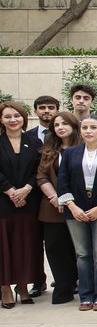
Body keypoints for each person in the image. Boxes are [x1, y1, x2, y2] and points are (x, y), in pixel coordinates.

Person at [57, 115, 97, 311]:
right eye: (84, 127)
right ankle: (86, 295)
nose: (88, 131)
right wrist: (72, 206)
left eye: (93, 127)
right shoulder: (70, 153)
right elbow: (62, 181)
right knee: (82, 254)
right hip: (75, 209)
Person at [35, 111, 79, 304]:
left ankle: (79, 283)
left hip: (79, 207)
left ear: (74, 126)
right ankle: (62, 287)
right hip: (53, 208)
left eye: (65, 124)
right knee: (55, 247)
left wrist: (71, 201)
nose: (60, 127)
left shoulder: (85, 148)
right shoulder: (49, 149)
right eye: (57, 125)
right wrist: (55, 197)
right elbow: (41, 176)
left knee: (77, 248)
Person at [1, 102, 41, 309]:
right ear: (1, 120)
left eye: (16, 116)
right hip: (3, 202)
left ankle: (23, 286)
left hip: (28, 200)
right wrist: (10, 191)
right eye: (7, 116)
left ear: (23, 118)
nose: (13, 120)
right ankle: (6, 288)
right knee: (4, 247)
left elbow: (39, 170)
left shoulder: (34, 142)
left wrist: (26, 189)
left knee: (25, 244)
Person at [25, 95, 60, 297]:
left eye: (50, 107)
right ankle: (38, 281)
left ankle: (64, 278)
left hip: (54, 197)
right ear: (35, 111)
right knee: (34, 241)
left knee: (57, 241)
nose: (46, 111)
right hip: (32, 197)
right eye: (42, 107)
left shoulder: (65, 135)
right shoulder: (28, 136)